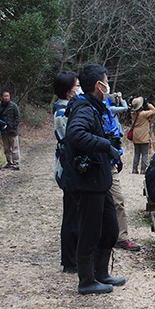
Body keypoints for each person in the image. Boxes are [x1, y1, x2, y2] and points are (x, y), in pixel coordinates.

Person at [63, 64, 126, 295]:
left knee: (110, 229)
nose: (108, 84)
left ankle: (101, 273)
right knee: (89, 231)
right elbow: (76, 134)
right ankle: (87, 281)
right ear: (98, 85)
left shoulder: (95, 107)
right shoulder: (84, 109)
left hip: (99, 180)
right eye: (106, 80)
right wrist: (106, 146)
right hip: (86, 182)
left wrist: (111, 151)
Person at [101, 91, 141, 252]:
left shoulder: (106, 109)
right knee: (111, 201)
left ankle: (119, 237)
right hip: (100, 161)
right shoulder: (100, 109)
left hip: (110, 161)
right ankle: (113, 237)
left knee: (117, 201)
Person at [52, 70, 81, 273]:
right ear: (68, 90)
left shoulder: (69, 109)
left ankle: (74, 257)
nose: (79, 88)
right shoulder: (63, 113)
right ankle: (69, 261)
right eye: (76, 85)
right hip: (68, 170)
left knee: (75, 214)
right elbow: (71, 140)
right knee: (71, 215)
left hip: (69, 168)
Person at [129, 96, 155, 174]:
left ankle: (134, 169)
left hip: (135, 135)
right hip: (144, 136)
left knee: (136, 153)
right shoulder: (144, 114)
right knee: (145, 153)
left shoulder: (133, 113)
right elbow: (154, 110)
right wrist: (147, 104)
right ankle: (143, 170)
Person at [0, 90, 21, 170]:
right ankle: (9, 162)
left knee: (14, 148)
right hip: (4, 131)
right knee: (6, 148)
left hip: (12, 131)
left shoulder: (13, 106)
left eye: (7, 96)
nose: (6, 97)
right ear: (1, 97)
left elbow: (17, 117)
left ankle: (16, 163)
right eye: (5, 96)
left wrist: (14, 126)